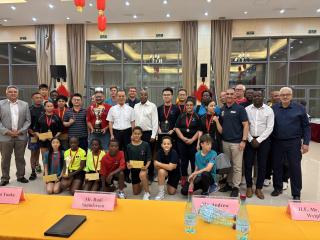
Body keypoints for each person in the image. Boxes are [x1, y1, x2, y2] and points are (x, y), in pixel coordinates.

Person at [271, 87, 311, 200]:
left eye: (287, 94)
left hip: (293, 143)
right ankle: (277, 188)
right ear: (279, 96)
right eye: (282, 94)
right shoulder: (274, 108)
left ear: (291, 96)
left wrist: (306, 143)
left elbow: (306, 127)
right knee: (277, 166)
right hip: (276, 142)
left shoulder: (300, 108)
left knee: (295, 167)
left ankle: (296, 193)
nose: (285, 96)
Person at [219, 88, 249, 197]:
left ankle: (236, 187)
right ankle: (229, 183)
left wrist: (243, 140)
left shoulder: (240, 109)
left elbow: (246, 125)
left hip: (237, 143)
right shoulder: (222, 109)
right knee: (228, 165)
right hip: (225, 142)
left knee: (237, 166)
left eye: (232, 94)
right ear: (225, 96)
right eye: (227, 94)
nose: (229, 96)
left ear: (235, 96)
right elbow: (221, 127)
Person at [244, 90, 274, 199]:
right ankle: (248, 186)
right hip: (249, 140)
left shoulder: (269, 110)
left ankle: (259, 188)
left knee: (262, 165)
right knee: (248, 164)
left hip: (264, 140)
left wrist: (259, 140)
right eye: (255, 96)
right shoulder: (246, 109)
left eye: (259, 96)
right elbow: (244, 125)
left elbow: (270, 127)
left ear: (263, 97)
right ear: (252, 98)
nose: (257, 97)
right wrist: (251, 139)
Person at [0, 85, 31, 186]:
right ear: (6, 93)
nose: (13, 93)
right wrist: (7, 132)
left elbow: (28, 121)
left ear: (18, 93)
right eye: (10, 92)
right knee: (5, 158)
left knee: (20, 157)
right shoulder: (0, 104)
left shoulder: (25, 104)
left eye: (15, 92)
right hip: (5, 137)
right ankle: (5, 178)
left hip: (20, 136)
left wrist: (20, 131)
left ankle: (21, 176)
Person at [107, 89, 135, 183]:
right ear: (116, 97)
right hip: (116, 132)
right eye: (119, 96)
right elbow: (110, 123)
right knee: (116, 154)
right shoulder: (112, 109)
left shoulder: (130, 109)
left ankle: (127, 175)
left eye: (123, 96)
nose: (121, 98)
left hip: (127, 133)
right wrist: (111, 135)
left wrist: (132, 134)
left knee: (127, 154)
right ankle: (116, 174)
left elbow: (132, 123)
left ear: (125, 97)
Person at [175, 97, 201, 187]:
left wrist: (192, 139)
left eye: (191, 105)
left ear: (193, 106)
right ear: (185, 106)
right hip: (182, 142)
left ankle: (193, 177)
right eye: (187, 105)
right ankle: (184, 178)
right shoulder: (181, 115)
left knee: (194, 161)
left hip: (193, 143)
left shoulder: (197, 116)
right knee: (183, 161)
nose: (189, 106)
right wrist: (182, 138)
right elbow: (177, 128)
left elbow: (199, 130)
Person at [134, 89, 158, 182]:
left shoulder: (152, 106)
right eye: (141, 95)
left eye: (145, 95)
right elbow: (134, 120)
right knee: (138, 154)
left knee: (149, 155)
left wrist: (153, 135)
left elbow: (155, 121)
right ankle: (139, 174)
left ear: (148, 96)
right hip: (138, 134)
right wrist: (134, 134)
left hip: (149, 134)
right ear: (139, 96)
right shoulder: (136, 106)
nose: (143, 96)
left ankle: (151, 174)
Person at [126, 127, 152, 200]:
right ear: (132, 134)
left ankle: (147, 193)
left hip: (143, 169)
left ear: (141, 135)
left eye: (138, 134)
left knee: (142, 174)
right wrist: (128, 165)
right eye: (135, 134)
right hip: (134, 171)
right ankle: (143, 182)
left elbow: (149, 158)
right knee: (136, 192)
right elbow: (127, 160)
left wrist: (146, 167)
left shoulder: (146, 144)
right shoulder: (129, 146)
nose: (137, 135)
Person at [154, 136, 180, 200]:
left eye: (168, 144)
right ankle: (161, 193)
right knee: (161, 171)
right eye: (164, 144)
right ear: (161, 145)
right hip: (165, 172)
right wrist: (168, 166)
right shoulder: (159, 152)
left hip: (174, 173)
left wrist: (159, 164)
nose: (166, 145)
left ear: (171, 145)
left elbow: (171, 168)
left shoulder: (174, 153)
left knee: (171, 192)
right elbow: (155, 166)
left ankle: (168, 181)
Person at [28, 92, 44, 179]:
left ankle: (40, 166)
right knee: (33, 153)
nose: (38, 99)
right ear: (32, 99)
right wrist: (32, 132)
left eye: (40, 97)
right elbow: (26, 122)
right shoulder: (29, 109)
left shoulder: (45, 108)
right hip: (33, 135)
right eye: (36, 97)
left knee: (43, 153)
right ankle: (33, 172)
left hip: (44, 135)